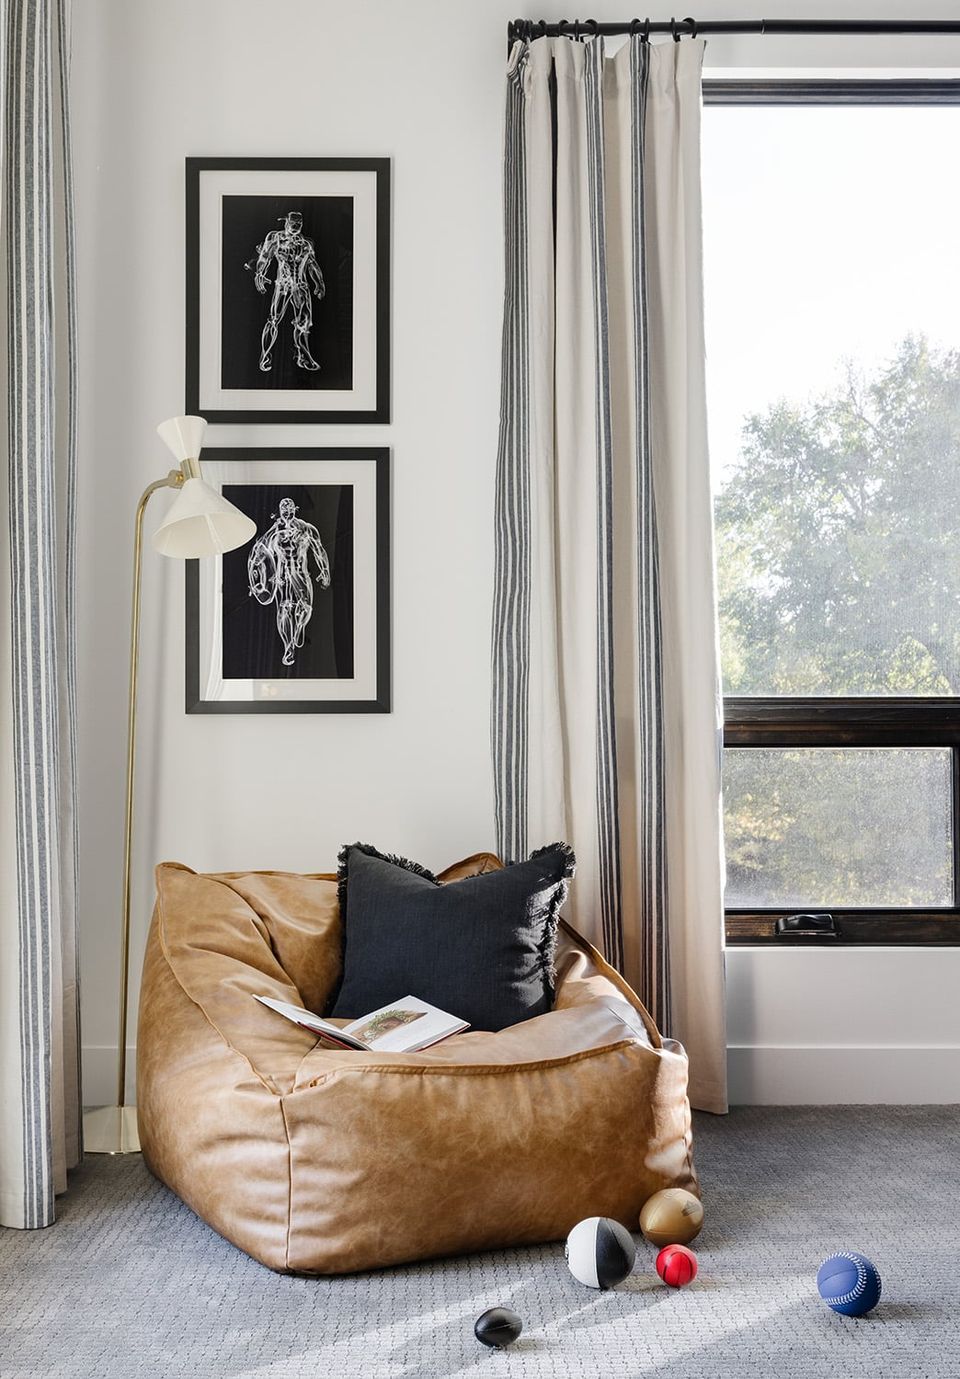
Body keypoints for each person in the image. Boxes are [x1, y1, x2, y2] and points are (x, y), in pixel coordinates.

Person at [247, 498, 330, 667]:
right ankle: (288, 646)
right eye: (283, 509)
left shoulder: (306, 529)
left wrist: (325, 571)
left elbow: (319, 550)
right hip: (282, 576)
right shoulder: (274, 532)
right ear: (279, 511)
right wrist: (256, 580)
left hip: (301, 573)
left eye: (289, 508)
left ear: (295, 509)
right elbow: (258, 553)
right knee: (284, 608)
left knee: (306, 607)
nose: (287, 512)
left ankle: (299, 629)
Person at [248, 211, 326, 373]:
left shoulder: (306, 243)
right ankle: (265, 355)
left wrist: (319, 283)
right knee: (273, 320)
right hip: (283, 285)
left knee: (304, 324)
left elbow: (312, 264)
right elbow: (264, 257)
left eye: (299, 223)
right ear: (286, 222)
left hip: (301, 286)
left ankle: (303, 357)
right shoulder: (275, 238)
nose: (296, 226)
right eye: (293, 222)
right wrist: (259, 274)